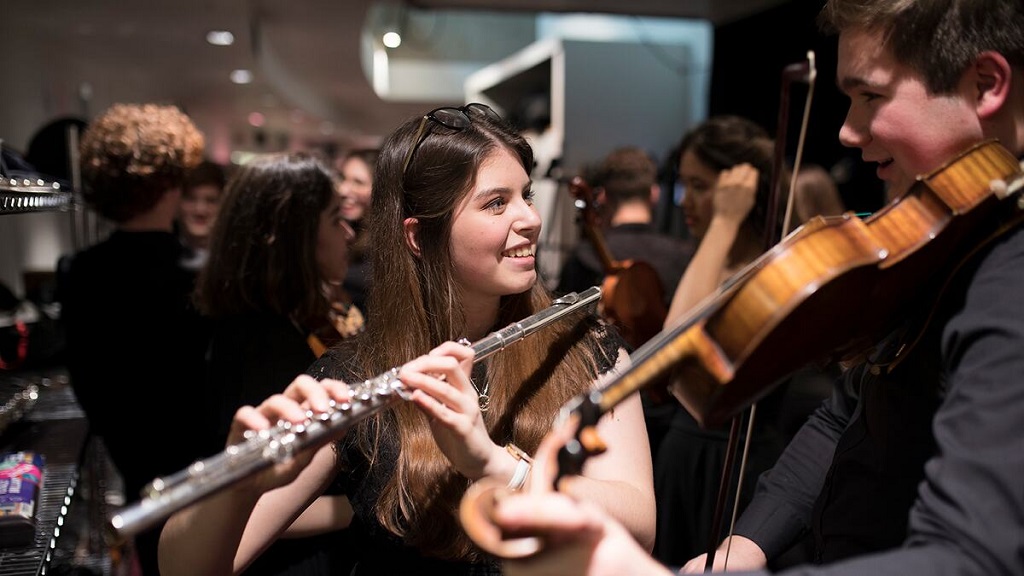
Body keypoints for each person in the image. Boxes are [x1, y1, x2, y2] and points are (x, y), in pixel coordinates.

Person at [474, 1, 1024, 575]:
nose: (846, 130)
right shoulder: (952, 236)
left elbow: (970, 557)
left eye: (871, 97)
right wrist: (748, 544)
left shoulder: (1011, 272)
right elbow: (848, 412)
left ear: (986, 85)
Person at [159, 103, 656, 576]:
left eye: (524, 195)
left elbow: (640, 527)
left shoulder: (584, 347)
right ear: (419, 237)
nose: (529, 218)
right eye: (496, 203)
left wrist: (494, 465)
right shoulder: (356, 375)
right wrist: (236, 484)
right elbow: (186, 568)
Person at [59, 103, 210, 576]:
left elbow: (88, 381)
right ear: (169, 184)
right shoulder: (200, 273)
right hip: (205, 470)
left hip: (135, 466)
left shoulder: (79, 271)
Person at [195, 151, 362, 575]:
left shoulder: (311, 309)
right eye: (333, 218)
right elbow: (249, 506)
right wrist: (366, 506)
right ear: (292, 235)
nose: (348, 231)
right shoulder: (256, 341)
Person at [652, 115, 795, 566]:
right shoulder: (706, 261)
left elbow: (671, 345)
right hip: (683, 454)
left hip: (741, 466)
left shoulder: (777, 267)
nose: (686, 201)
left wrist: (726, 219)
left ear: (741, 188)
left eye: (700, 185)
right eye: (683, 185)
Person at [555, 145, 696, 458]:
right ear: (655, 194)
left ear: (601, 197)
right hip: (675, 409)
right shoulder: (686, 256)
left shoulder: (585, 257)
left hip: (609, 406)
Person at [334, 147, 378, 313]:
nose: (343, 190)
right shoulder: (338, 229)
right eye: (343, 179)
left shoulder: (383, 244)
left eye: (358, 182)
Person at [176, 159, 227, 271]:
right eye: (191, 199)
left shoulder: (235, 260)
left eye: (211, 201)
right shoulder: (159, 256)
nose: (200, 210)